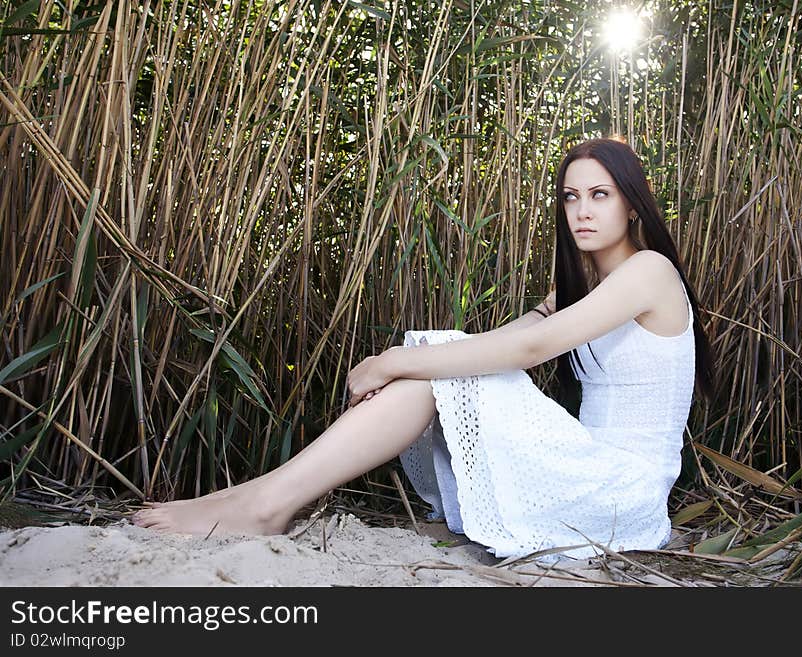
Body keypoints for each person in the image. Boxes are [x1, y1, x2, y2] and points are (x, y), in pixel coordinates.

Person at [133, 137, 715, 561]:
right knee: (449, 365)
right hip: (591, 470)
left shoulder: (650, 271)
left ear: (632, 204)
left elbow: (532, 348)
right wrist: (419, 361)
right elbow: (504, 340)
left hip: (623, 494)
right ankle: (259, 498)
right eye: (570, 196)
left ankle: (265, 505)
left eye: (600, 195)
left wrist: (395, 361)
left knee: (436, 367)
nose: (582, 210)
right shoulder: (576, 289)